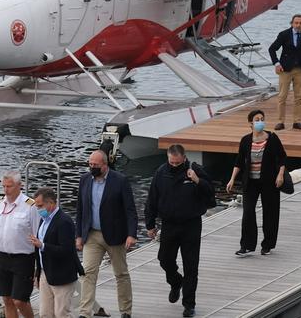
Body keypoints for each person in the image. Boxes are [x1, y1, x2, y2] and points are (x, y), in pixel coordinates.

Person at [146, 144, 214, 317]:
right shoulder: (161, 172)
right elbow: (152, 199)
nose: (174, 165)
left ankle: (189, 305)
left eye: (177, 163)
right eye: (171, 162)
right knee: (164, 259)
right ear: (168, 158)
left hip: (191, 224)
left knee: (191, 266)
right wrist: (150, 224)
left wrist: (197, 181)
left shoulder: (195, 170)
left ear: (184, 158)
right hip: (169, 224)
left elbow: (211, 195)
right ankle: (176, 282)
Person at [76, 150, 137, 318]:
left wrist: (131, 234)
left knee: (121, 274)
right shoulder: (85, 180)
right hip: (92, 234)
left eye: (95, 165)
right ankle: (85, 312)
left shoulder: (120, 181)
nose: (92, 168)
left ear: (105, 164)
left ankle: (125, 311)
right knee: (87, 272)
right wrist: (79, 235)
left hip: (115, 235)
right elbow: (80, 209)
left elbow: (130, 210)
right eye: (90, 164)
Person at [226, 110, 287, 256]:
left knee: (270, 213)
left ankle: (268, 244)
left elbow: (282, 158)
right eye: (257, 119)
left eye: (262, 119)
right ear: (250, 123)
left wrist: (280, 175)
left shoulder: (272, 138)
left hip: (269, 181)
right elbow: (239, 161)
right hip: (250, 181)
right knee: (247, 212)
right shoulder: (246, 140)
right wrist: (232, 179)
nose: (260, 121)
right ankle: (246, 245)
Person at [0, 170, 42, 318]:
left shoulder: (30, 206)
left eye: (9, 186)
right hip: (4, 257)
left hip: (23, 258)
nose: (5, 190)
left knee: (20, 301)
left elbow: (38, 236)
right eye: (3, 186)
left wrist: (39, 268)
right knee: (7, 300)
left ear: (19, 186)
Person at [29, 187, 79, 318]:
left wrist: (43, 245)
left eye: (40, 206)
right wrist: (38, 273)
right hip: (46, 273)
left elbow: (67, 250)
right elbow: (38, 251)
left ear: (50, 202)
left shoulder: (64, 221)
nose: (38, 209)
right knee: (45, 313)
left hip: (62, 274)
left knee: (62, 313)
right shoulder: (43, 220)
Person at [267, 14, 301, 131]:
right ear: (292, 23)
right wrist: (276, 63)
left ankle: (297, 121)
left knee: (299, 97)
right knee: (282, 96)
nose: (298, 25)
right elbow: (272, 49)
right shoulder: (284, 34)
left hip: (300, 69)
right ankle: (280, 121)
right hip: (285, 69)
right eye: (296, 23)